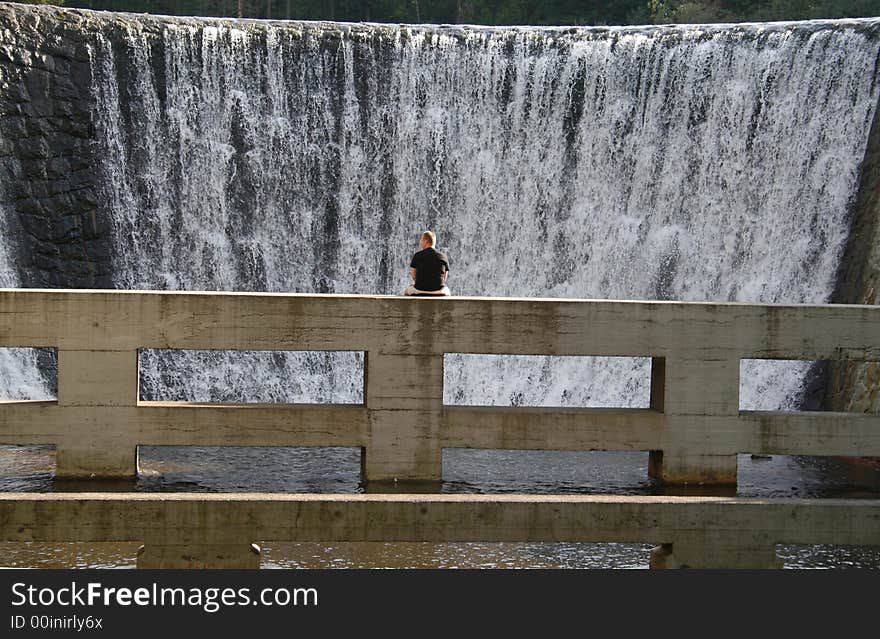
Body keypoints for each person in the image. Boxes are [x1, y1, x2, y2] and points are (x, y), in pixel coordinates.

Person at [403, 231, 451, 296]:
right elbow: (444, 279)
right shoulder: (444, 256)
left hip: (419, 290)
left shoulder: (417, 255)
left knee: (407, 290)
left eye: (421, 240)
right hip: (439, 291)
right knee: (447, 290)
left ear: (425, 241)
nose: (420, 242)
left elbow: (414, 277)